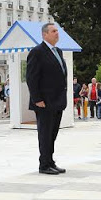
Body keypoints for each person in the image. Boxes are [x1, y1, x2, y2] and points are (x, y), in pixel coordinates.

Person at [26, 23, 68, 175]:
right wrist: (37, 99)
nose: (57, 33)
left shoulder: (58, 51)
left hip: (57, 101)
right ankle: (43, 165)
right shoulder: (37, 52)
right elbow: (31, 77)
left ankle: (50, 161)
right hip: (44, 102)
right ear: (45, 35)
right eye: (53, 31)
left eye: (57, 31)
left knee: (52, 134)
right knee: (45, 134)